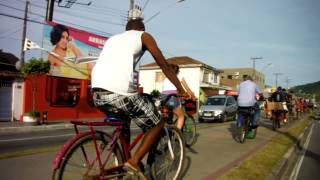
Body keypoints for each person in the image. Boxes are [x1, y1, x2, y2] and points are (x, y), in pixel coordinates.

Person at [91, 18, 189, 179]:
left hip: (97, 94)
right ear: (141, 29)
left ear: (126, 29)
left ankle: (123, 162)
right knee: (157, 123)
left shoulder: (113, 39)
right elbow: (164, 65)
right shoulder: (144, 36)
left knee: (125, 122)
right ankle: (134, 161)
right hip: (119, 93)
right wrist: (180, 88)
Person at [161, 63, 196, 130]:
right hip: (172, 98)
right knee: (181, 116)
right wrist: (193, 96)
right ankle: (177, 135)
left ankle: (169, 129)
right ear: (177, 71)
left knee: (169, 115)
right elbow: (187, 89)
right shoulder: (179, 76)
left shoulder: (167, 77)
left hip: (163, 97)